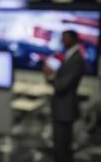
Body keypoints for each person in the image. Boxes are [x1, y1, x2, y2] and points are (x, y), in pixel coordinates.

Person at [42, 30, 85, 162]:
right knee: (60, 145)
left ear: (73, 39)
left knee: (62, 148)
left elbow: (62, 85)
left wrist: (51, 75)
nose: (62, 41)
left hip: (65, 110)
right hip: (61, 108)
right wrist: (49, 75)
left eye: (64, 38)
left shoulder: (77, 59)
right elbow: (60, 81)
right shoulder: (70, 55)